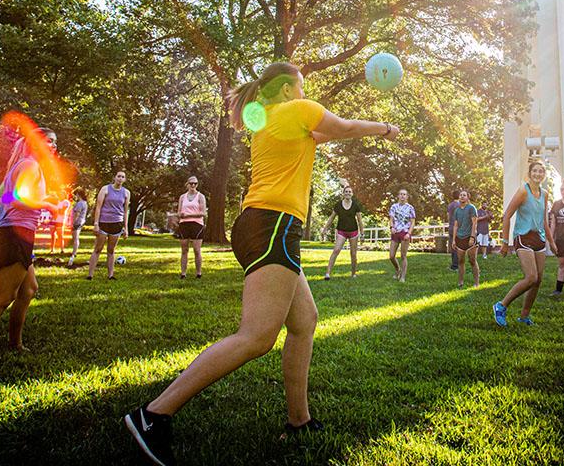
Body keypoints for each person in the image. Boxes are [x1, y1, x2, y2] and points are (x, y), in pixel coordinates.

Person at [123, 62, 399, 465]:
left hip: (260, 225)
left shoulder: (273, 120)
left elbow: (322, 134)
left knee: (304, 322)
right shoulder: (298, 110)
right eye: (302, 87)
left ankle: (298, 420)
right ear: (289, 90)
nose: (306, 93)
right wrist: (385, 128)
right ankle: (152, 415)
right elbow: (342, 127)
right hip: (274, 225)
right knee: (257, 336)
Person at [0, 127, 61, 368]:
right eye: (47, 141)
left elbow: (7, 197)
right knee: (4, 297)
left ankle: (15, 343)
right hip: (13, 235)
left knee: (29, 289)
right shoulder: (30, 166)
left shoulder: (24, 166)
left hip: (16, 233)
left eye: (54, 142)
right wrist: (47, 204)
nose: (52, 146)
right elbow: (19, 200)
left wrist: (39, 201)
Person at [493, 160, 553, 326]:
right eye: (535, 171)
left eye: (541, 171)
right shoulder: (523, 191)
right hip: (523, 237)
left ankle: (524, 316)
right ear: (529, 173)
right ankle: (501, 305)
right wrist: (505, 242)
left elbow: (545, 222)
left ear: (544, 174)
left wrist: (552, 243)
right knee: (531, 277)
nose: (538, 174)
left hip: (539, 239)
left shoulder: (545, 194)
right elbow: (506, 216)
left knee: (538, 280)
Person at [89, 170, 130, 280]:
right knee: (98, 248)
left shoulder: (126, 193)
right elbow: (98, 207)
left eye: (122, 177)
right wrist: (96, 223)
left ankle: (111, 275)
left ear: (124, 180)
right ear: (115, 177)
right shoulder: (105, 189)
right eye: (118, 176)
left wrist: (126, 228)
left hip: (117, 223)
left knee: (111, 250)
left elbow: (126, 211)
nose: (120, 178)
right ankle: (90, 275)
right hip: (104, 222)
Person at [320, 183, 362, 279]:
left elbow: (360, 220)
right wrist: (325, 229)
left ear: (352, 194)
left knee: (353, 254)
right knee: (336, 250)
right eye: (346, 192)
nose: (348, 193)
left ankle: (353, 273)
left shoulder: (355, 205)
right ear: (343, 193)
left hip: (353, 232)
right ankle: (327, 273)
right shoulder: (338, 205)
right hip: (341, 231)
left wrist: (362, 233)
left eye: (349, 192)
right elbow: (331, 218)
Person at [175, 176, 206, 279]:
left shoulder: (200, 196)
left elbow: (203, 213)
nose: (193, 185)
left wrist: (188, 215)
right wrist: (180, 215)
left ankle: (198, 273)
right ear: (187, 184)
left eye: (195, 184)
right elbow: (179, 212)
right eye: (191, 183)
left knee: (197, 250)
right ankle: (183, 273)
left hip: (197, 224)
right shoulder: (182, 197)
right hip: (184, 224)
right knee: (184, 250)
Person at [452, 190, 480, 288]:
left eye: (464, 195)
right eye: (460, 195)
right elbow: (455, 226)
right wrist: (454, 240)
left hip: (470, 237)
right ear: (458, 197)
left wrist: (472, 237)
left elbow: (474, 223)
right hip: (459, 238)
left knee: (472, 260)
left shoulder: (471, 208)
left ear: (467, 197)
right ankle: (460, 282)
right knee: (460, 261)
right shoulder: (456, 210)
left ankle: (476, 283)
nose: (462, 197)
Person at [387, 189, 415, 283]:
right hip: (395, 232)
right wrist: (391, 227)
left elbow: (412, 222)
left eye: (404, 194)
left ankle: (402, 276)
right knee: (391, 256)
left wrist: (409, 233)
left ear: (407, 197)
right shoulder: (394, 207)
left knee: (403, 256)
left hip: (405, 232)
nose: (402, 196)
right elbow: (391, 219)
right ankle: (398, 269)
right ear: (398, 196)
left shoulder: (410, 208)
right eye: (401, 194)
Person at [68, 187, 88, 266]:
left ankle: (74, 253)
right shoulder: (84, 203)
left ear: (78, 194)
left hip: (77, 222)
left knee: (75, 238)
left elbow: (77, 214)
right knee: (76, 238)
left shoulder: (80, 203)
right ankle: (74, 251)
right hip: (81, 221)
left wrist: (73, 222)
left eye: (75, 195)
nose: (74, 196)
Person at [446, 194, 459, 271]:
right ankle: (456, 265)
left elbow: (448, 216)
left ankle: (454, 265)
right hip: (458, 228)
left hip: (451, 227)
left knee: (453, 246)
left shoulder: (450, 205)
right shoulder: (460, 205)